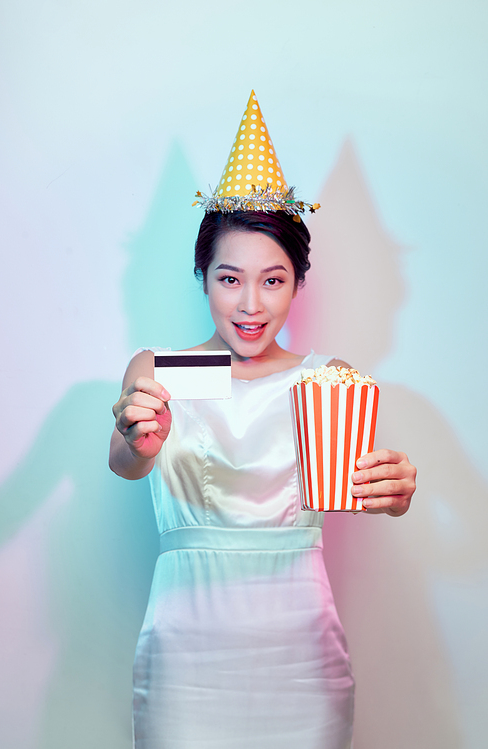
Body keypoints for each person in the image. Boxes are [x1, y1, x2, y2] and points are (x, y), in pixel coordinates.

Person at [109, 93, 416, 749]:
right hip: (185, 650)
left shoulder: (330, 378)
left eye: (272, 280)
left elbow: (365, 488)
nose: (250, 304)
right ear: (203, 276)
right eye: (229, 278)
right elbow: (126, 460)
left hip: (299, 649)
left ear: (298, 283)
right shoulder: (157, 368)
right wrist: (137, 438)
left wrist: (394, 491)